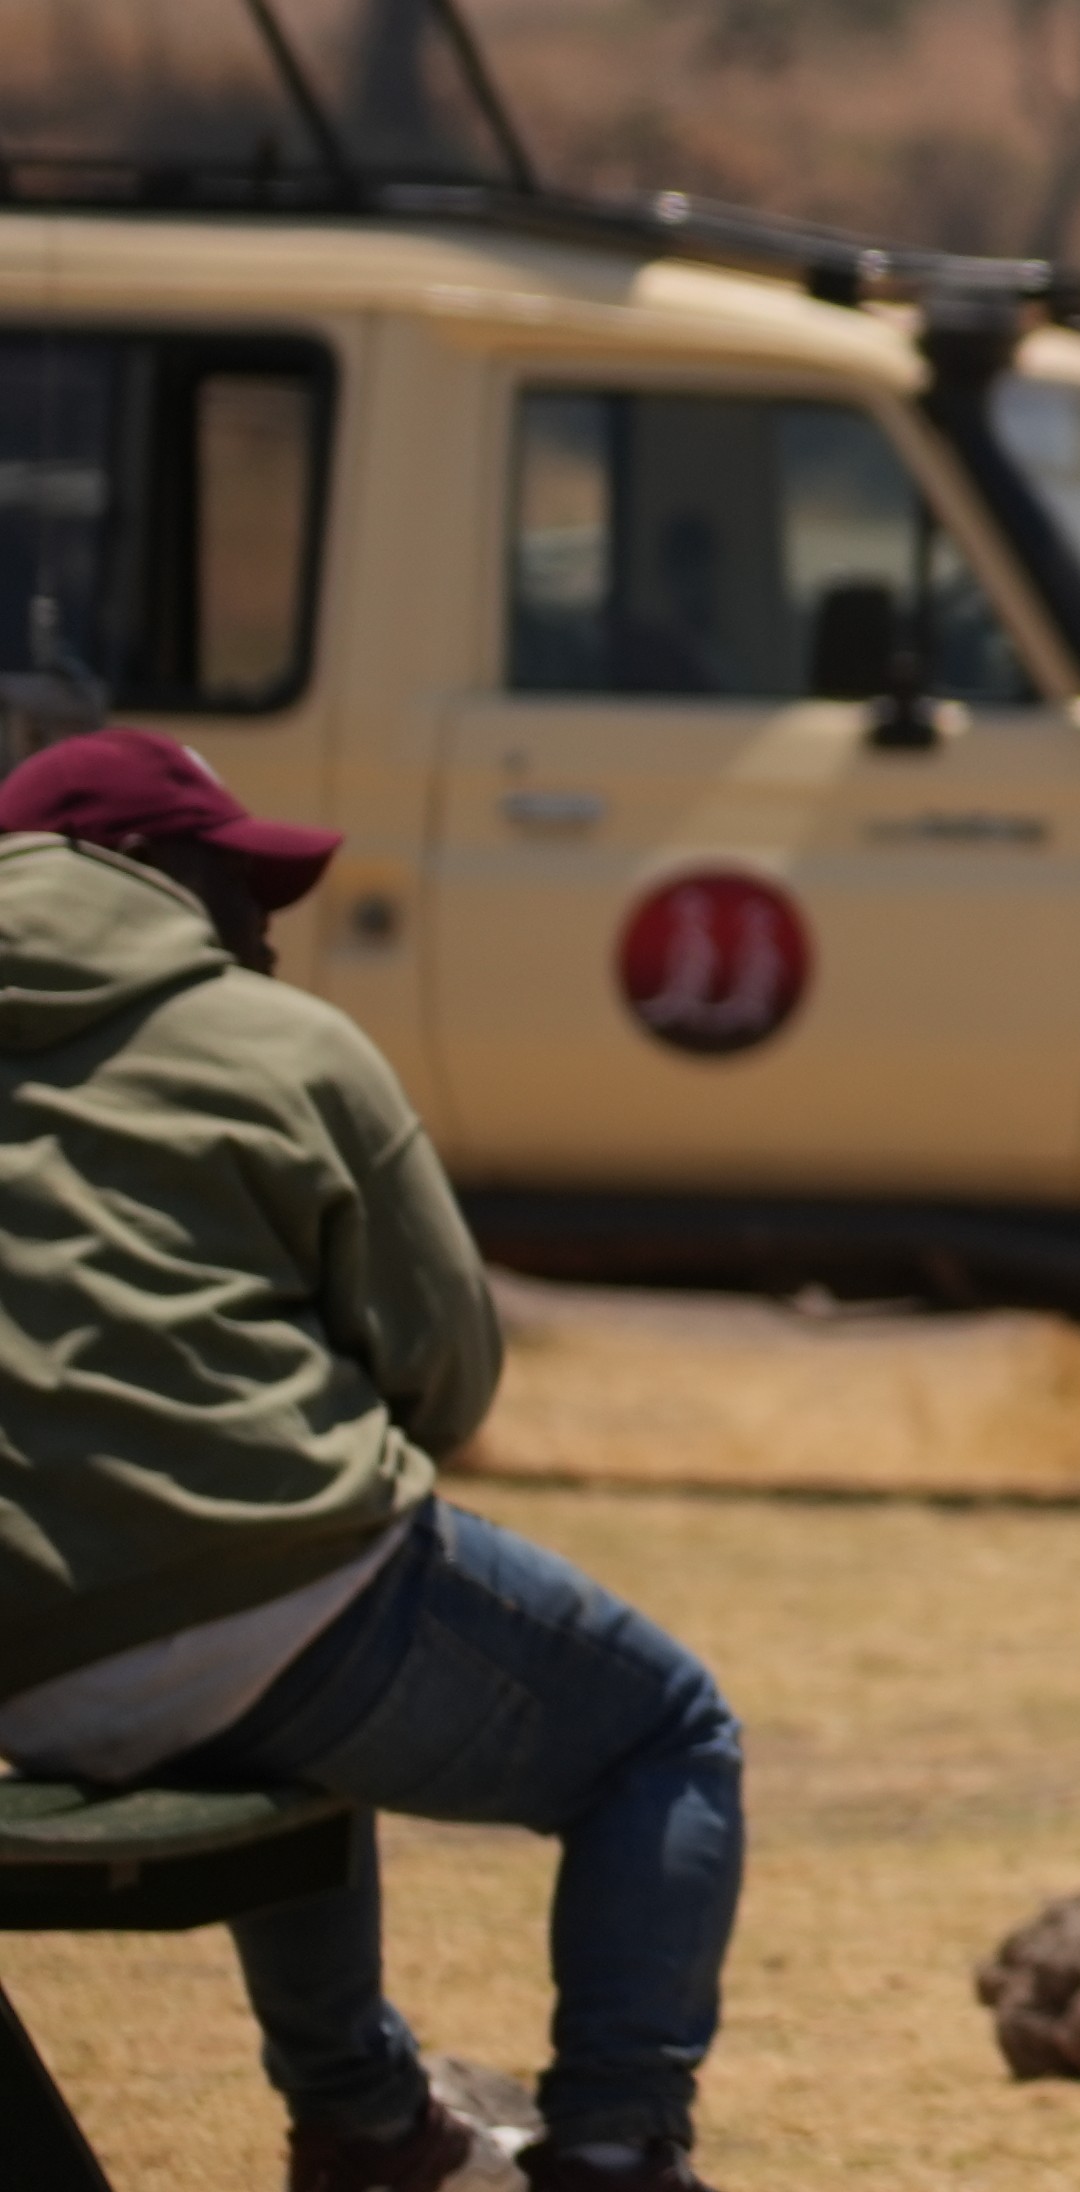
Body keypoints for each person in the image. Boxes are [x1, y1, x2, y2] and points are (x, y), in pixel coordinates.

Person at [1, 735, 743, 2192]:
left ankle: (366, 2123)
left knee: (279, 1698)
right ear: (143, 875)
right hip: (285, 1586)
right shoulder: (279, 1042)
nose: (267, 922)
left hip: (29, 1662)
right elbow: (449, 1371)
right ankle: (611, 2143)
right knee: (666, 1732)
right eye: (240, 879)